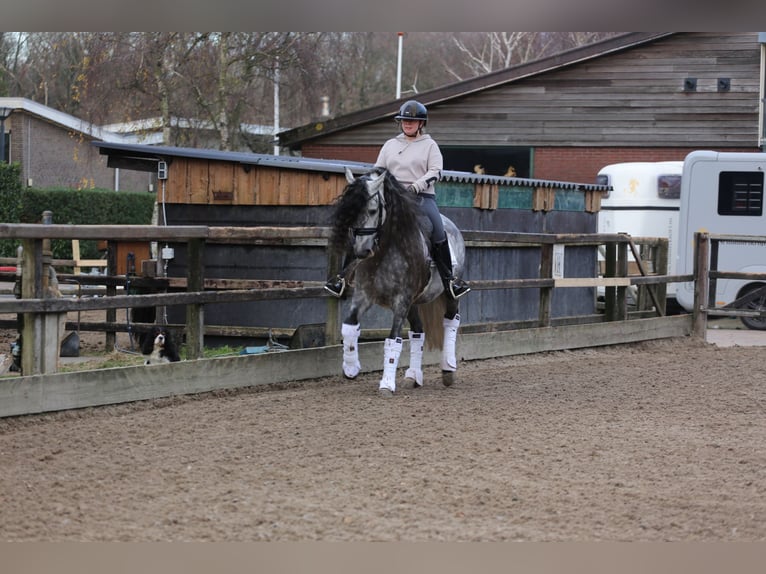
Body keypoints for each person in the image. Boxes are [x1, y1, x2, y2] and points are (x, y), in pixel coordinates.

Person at [325, 100, 470, 300]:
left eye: (412, 121)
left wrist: (416, 186)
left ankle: (450, 281)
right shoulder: (390, 145)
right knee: (363, 224)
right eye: (404, 120)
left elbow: (436, 171)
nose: (408, 124)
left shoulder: (430, 146)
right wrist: (366, 183)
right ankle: (342, 278)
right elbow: (378, 170)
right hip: (390, 196)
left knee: (437, 228)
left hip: (420, 197)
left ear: (421, 124)